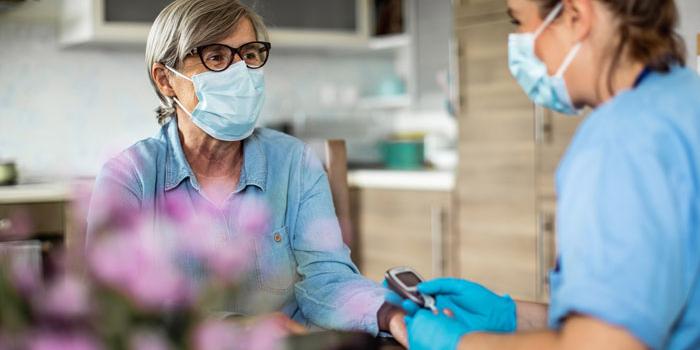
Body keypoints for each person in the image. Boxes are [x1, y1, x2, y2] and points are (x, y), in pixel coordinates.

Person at [86, 0, 407, 344]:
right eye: (216, 57)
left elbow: (327, 281)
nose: (240, 72)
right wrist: (241, 327)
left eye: (250, 55)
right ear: (166, 80)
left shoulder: (294, 163)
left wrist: (392, 316)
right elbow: (117, 310)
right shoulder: (130, 176)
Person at [392, 0, 700, 349]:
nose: (523, 43)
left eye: (520, 23)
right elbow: (642, 307)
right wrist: (510, 317)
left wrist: (462, 345)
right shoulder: (685, 98)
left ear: (575, 15)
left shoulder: (619, 142)